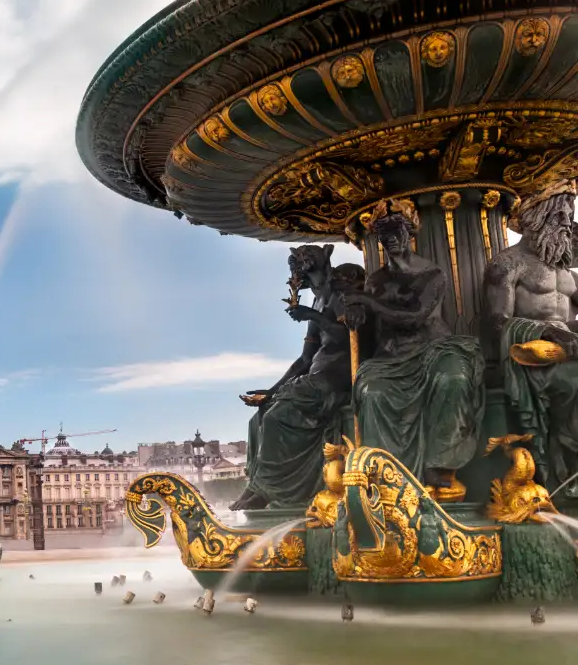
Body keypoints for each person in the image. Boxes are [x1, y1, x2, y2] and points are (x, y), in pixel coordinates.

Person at [342, 199, 484, 497]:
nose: (391, 239)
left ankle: (440, 463)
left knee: (454, 378)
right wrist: (356, 313)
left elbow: (415, 318)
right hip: (392, 357)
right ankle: (387, 472)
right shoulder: (377, 280)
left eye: (397, 232)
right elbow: (371, 324)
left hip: (436, 350)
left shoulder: (432, 275)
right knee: (371, 391)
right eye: (384, 234)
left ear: (411, 234)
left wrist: (366, 302)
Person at [231, 245, 362, 510]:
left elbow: (352, 338)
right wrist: (271, 391)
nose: (303, 258)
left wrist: (313, 317)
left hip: (337, 380)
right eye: (299, 256)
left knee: (278, 417)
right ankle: (257, 484)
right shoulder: (317, 299)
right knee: (262, 414)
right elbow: (305, 359)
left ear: (327, 255)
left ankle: (268, 490)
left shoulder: (343, 292)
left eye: (309, 254)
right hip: (316, 377)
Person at [484, 180, 578, 494]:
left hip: (567, 353)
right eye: (558, 215)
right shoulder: (508, 264)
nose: (567, 223)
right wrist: (544, 331)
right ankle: (561, 458)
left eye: (569, 214)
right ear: (535, 219)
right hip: (530, 359)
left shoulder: (567, 272)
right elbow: (498, 323)